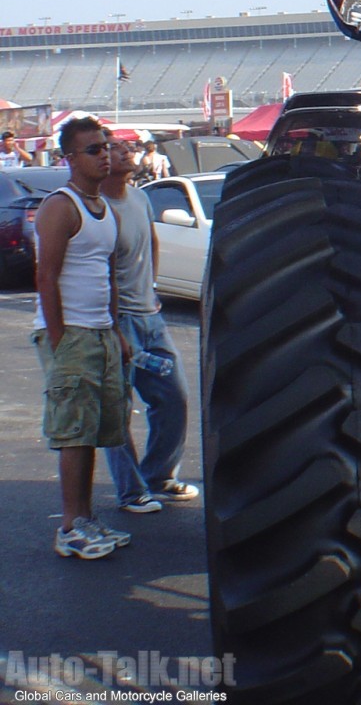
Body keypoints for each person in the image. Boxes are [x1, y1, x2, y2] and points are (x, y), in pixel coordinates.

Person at [30, 118, 130, 559]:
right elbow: (45, 277)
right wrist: (59, 339)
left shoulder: (104, 208)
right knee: (74, 433)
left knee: (93, 432)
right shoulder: (61, 206)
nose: (104, 154)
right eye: (93, 150)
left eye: (106, 146)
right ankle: (70, 527)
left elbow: (106, 274)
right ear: (70, 159)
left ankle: (86, 519)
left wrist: (116, 329)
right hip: (71, 334)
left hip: (100, 332)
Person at [103, 139, 197, 514]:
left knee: (174, 397)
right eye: (112, 148)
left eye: (127, 148)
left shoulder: (139, 197)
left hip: (150, 315)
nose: (126, 152)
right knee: (117, 409)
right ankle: (131, 491)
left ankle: (158, 476)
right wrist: (113, 326)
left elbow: (152, 243)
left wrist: (152, 292)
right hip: (118, 319)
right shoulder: (97, 207)